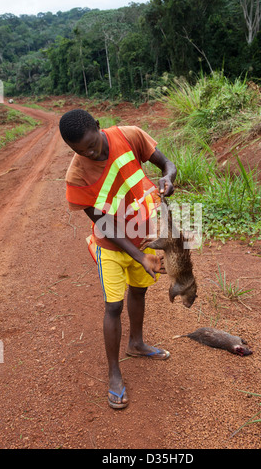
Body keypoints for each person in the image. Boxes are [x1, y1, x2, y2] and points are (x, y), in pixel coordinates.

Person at [59, 109, 177, 409]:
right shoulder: (77, 175)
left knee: (140, 290)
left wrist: (167, 177)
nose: (90, 153)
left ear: (98, 126)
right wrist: (138, 257)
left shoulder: (130, 135)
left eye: (92, 144)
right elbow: (103, 225)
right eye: (80, 150)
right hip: (111, 247)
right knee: (113, 306)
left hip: (145, 232)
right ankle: (114, 373)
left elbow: (166, 163)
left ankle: (136, 343)